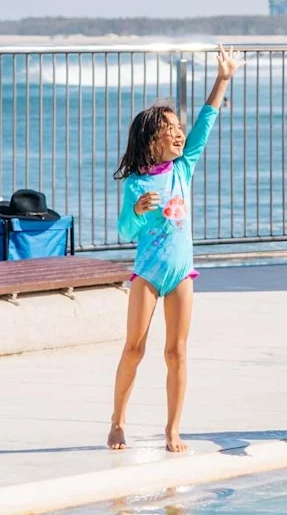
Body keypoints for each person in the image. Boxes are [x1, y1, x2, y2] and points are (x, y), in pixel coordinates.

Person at [107, 46, 243, 453]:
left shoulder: (184, 168)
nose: (180, 133)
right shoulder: (136, 184)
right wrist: (136, 210)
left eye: (178, 127)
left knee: (176, 351)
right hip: (148, 275)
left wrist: (223, 79)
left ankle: (173, 430)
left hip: (182, 273)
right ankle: (118, 420)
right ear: (152, 140)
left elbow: (206, 123)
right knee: (135, 348)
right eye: (170, 128)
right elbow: (125, 230)